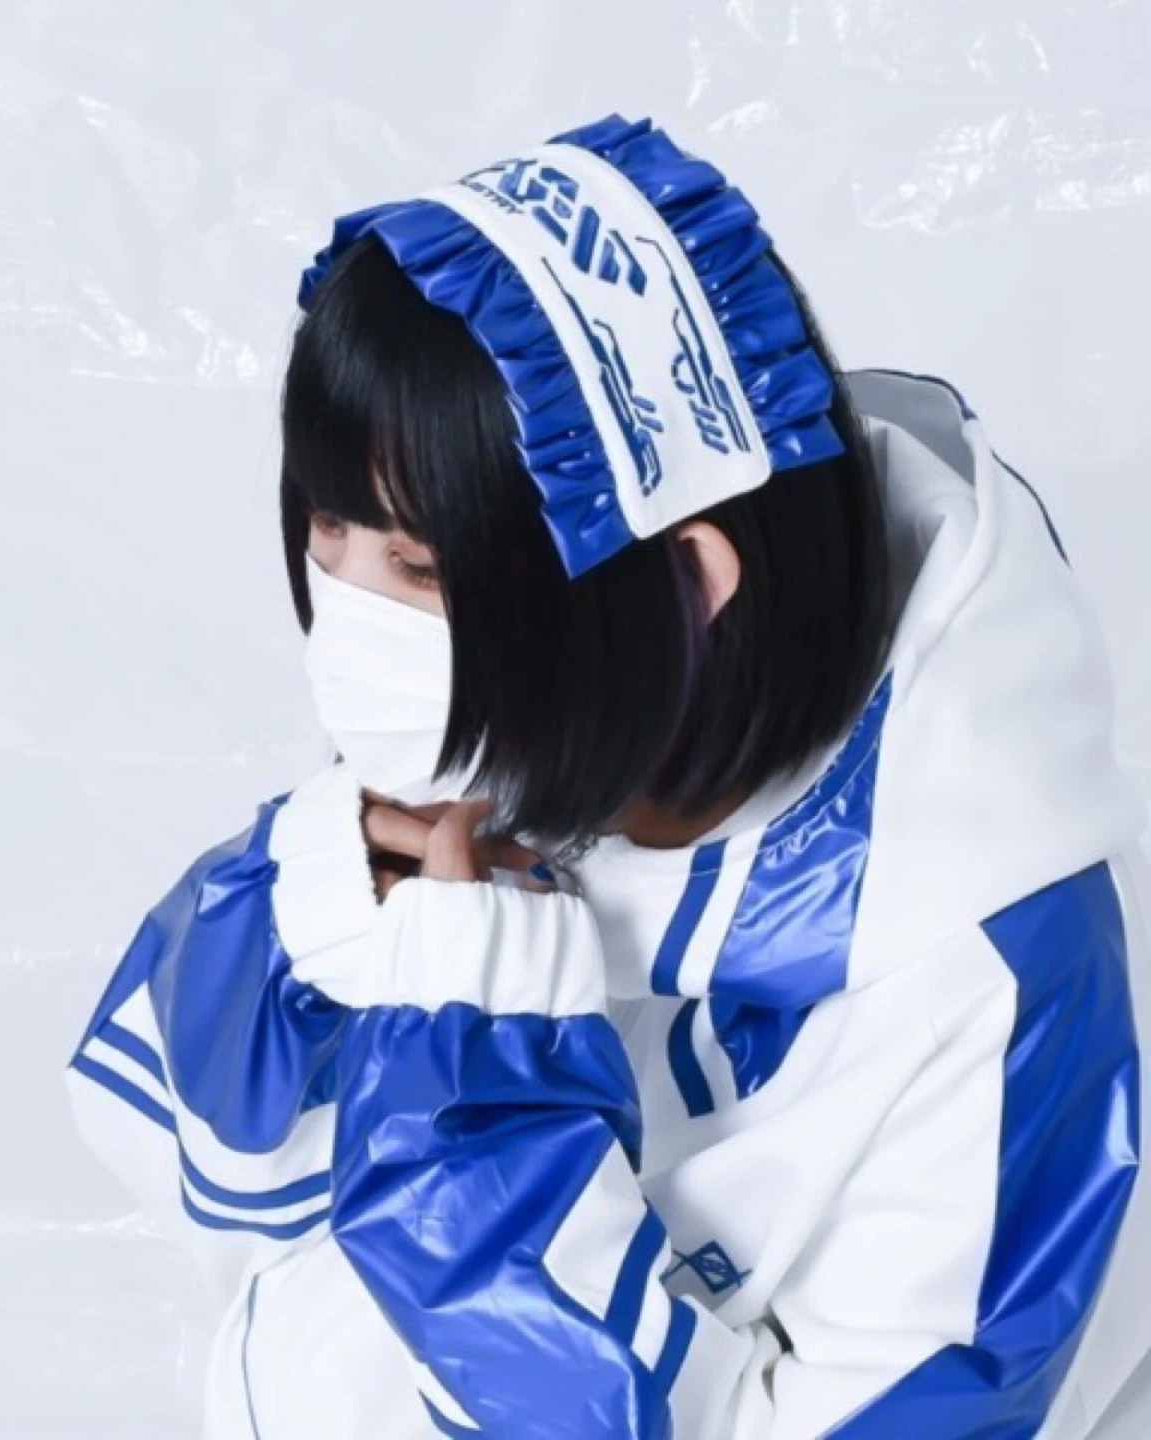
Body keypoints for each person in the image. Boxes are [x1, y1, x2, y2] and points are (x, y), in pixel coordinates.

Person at [64, 111, 1151, 1439]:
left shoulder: (1000, 992)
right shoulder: (561, 693)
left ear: (688, 583)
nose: (345, 614)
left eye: (415, 566)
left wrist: (478, 1098)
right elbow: (188, 1154)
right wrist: (328, 906)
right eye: (328, 527)